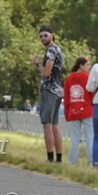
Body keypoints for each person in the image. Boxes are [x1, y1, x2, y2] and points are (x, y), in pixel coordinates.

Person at [29, 26, 63, 162]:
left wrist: (37, 63)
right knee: (54, 125)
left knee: (47, 124)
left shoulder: (51, 50)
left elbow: (47, 72)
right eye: (40, 36)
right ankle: (58, 159)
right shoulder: (57, 49)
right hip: (57, 90)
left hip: (49, 90)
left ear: (52, 35)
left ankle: (50, 158)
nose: (43, 38)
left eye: (45, 35)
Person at [63, 56, 94, 165]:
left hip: (73, 112)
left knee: (75, 138)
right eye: (87, 65)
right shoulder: (88, 77)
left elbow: (66, 98)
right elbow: (92, 93)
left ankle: (72, 161)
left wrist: (67, 114)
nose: (89, 67)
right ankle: (91, 161)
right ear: (81, 65)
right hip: (87, 111)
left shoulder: (69, 78)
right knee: (89, 137)